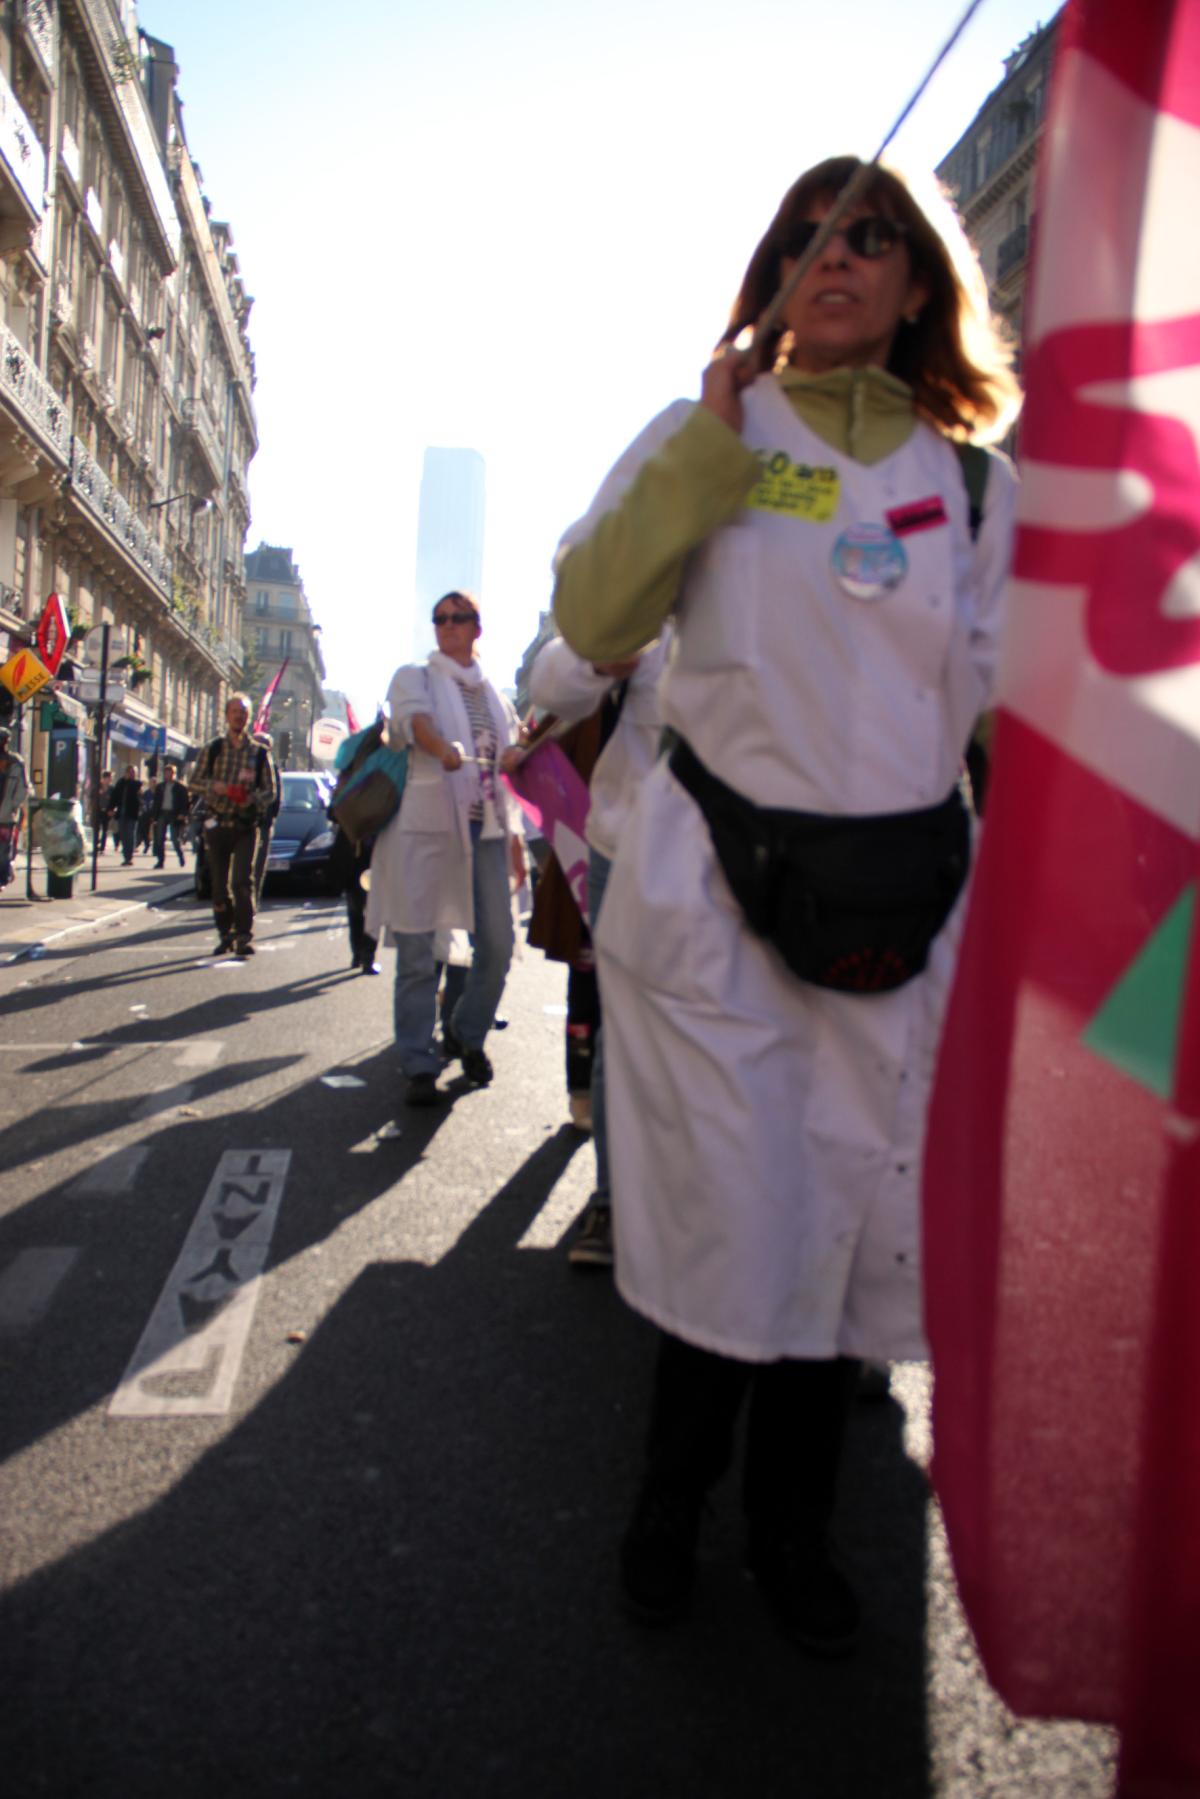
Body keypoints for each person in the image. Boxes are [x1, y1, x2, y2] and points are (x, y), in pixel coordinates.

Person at [552, 156, 1020, 1652]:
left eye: (868, 234)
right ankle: (667, 1504)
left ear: (917, 281)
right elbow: (595, 618)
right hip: (717, 916)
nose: (835, 255)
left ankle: (793, 1532)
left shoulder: (973, 485)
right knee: (733, 1225)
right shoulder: (709, 431)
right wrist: (706, 448)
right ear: (772, 276)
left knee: (843, 1233)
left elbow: (1016, 719)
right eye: (805, 237)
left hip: (904, 920)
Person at [528, 632, 672, 1267]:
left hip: (740, 844)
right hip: (626, 845)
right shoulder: (648, 596)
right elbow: (552, 682)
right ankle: (614, 1202)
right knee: (622, 1029)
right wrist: (606, 648)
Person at [366, 592, 525, 1107]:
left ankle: (466, 1031)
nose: (448, 625)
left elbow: (508, 760)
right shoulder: (415, 678)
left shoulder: (497, 697)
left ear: (478, 627)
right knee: (417, 952)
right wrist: (442, 750)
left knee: (497, 946)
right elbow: (416, 725)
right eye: (440, 619)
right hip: (428, 828)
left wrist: (516, 836)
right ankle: (417, 1059)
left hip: (488, 831)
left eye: (459, 618)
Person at [193, 693, 276, 957]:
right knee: (218, 886)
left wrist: (251, 799)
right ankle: (225, 934)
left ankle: (243, 935)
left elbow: (270, 792)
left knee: (242, 881)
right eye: (235, 711)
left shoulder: (259, 753)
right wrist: (214, 787)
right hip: (217, 824)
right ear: (227, 715)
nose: (239, 716)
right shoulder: (213, 749)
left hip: (244, 826)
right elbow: (194, 782)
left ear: (249, 717)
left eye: (243, 712)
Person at [251, 730, 282, 904]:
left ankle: (252, 900)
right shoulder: (243, 763)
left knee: (258, 863)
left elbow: (276, 796)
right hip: (243, 821)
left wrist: (269, 818)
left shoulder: (272, 767)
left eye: (264, 745)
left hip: (263, 821)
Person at [0, 726, 30, 889]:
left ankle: (2, 878)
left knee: (3, 849)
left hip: (6, 815)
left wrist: (13, 806)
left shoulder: (16, 763)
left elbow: (23, 789)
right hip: (7, 814)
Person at [151, 762, 190, 867]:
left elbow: (185, 802)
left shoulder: (180, 788)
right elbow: (156, 802)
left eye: (170, 773)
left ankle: (180, 856)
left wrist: (182, 813)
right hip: (162, 813)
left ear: (174, 774)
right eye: (166, 773)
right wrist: (154, 817)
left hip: (174, 814)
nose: (168, 775)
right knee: (159, 838)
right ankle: (160, 861)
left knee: (174, 839)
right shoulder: (160, 787)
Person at [109, 764, 142, 865]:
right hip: (121, 812)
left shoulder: (137, 784)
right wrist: (110, 808)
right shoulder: (121, 783)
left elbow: (138, 798)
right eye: (129, 772)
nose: (131, 774)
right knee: (123, 834)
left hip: (132, 813)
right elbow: (114, 796)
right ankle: (126, 855)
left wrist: (129, 781)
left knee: (130, 834)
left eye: (133, 772)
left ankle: (129, 857)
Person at [94, 769, 113, 851]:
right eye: (109, 778)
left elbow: (114, 799)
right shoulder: (98, 787)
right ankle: (96, 844)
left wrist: (112, 809)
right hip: (98, 810)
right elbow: (92, 797)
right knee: (97, 828)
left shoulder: (111, 789)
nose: (110, 780)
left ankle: (102, 846)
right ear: (105, 778)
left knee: (105, 829)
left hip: (107, 811)